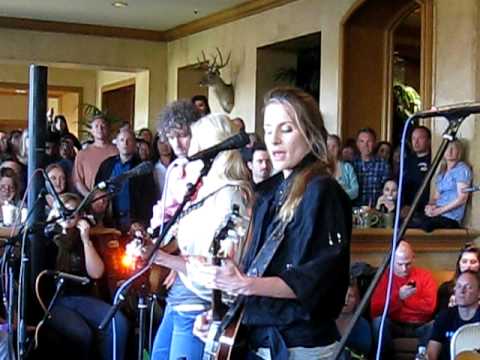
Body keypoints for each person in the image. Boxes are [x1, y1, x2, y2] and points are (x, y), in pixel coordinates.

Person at [192, 87, 352, 359]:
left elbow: (314, 281)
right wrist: (222, 314)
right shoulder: (269, 191)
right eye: (268, 130)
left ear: (310, 133)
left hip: (300, 345)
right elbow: (259, 270)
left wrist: (243, 284)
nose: (274, 140)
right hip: (262, 337)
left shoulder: (323, 191)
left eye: (286, 129)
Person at [151, 113, 252, 360]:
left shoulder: (231, 195)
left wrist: (163, 259)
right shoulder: (204, 190)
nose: (190, 147)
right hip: (181, 294)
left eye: (195, 140)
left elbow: (218, 269)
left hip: (201, 304)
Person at [45, 193, 129, 360]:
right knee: (81, 333)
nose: (67, 216)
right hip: (55, 299)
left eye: (72, 212)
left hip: (82, 297)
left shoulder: (85, 237)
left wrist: (85, 240)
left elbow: (96, 273)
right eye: (63, 211)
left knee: (117, 322)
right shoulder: (47, 238)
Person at [371, 241, 437, 356]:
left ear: (413, 258)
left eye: (408, 264)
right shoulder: (383, 277)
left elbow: (429, 308)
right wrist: (399, 297)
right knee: (379, 322)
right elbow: (375, 310)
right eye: (399, 264)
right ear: (391, 260)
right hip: (395, 324)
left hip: (420, 325)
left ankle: (421, 357)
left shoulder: (425, 276)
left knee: (436, 324)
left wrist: (402, 302)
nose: (404, 269)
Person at [95, 129, 156, 233]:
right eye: (122, 140)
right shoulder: (107, 165)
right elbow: (97, 190)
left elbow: (149, 197)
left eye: (129, 140)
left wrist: (141, 221)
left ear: (135, 144)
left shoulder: (142, 167)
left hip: (133, 221)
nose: (125, 143)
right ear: (117, 144)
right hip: (109, 220)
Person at [409, 140, 471, 232]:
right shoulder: (442, 171)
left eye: (453, 148)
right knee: (409, 222)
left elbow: (462, 198)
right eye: (447, 148)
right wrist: (430, 207)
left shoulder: (461, 169)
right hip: (437, 214)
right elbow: (435, 197)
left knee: (424, 226)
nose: (449, 151)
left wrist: (439, 211)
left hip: (450, 218)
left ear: (459, 151)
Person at [427, 271, 480, 360]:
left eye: (468, 287)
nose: (462, 291)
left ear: (479, 293)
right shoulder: (444, 316)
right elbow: (431, 354)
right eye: (459, 286)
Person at [73, 115, 118, 197]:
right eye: (96, 126)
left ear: (108, 129)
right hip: (90, 201)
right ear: (92, 131)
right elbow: (78, 181)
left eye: (103, 126)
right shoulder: (82, 154)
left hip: (115, 200)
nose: (100, 129)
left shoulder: (118, 151)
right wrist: (90, 197)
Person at [352, 128, 390, 206]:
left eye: (369, 141)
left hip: (376, 211)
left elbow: (387, 191)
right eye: (362, 141)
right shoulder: (350, 165)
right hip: (354, 211)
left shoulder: (383, 165)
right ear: (357, 144)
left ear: (375, 143)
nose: (365, 145)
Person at [436, 243, 480, 311]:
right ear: (459, 264)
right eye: (464, 261)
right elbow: (439, 317)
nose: (468, 266)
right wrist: (451, 310)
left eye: (473, 262)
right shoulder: (446, 288)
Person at [335, 278, 372, 358]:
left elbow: (364, 353)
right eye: (343, 295)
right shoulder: (325, 322)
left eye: (350, 296)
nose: (346, 300)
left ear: (356, 300)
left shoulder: (362, 325)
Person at [402, 126, 432, 211]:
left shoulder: (434, 160)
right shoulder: (406, 161)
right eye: (414, 138)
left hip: (428, 208)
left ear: (429, 141)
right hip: (408, 208)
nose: (416, 142)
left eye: (420, 138)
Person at [327, 134, 359, 200]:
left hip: (344, 205)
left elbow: (355, 191)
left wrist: (338, 195)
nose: (331, 149)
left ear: (339, 148)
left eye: (334, 146)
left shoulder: (347, 167)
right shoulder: (319, 168)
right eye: (328, 146)